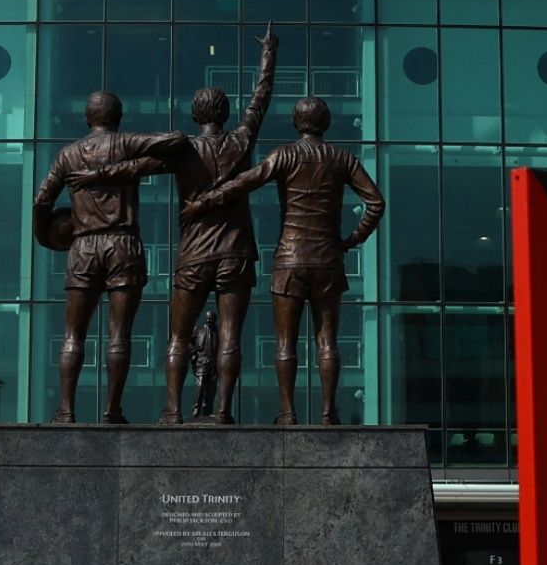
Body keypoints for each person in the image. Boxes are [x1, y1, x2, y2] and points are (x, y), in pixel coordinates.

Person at [87, 29, 278, 424]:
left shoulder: (184, 150)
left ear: (195, 115)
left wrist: (97, 174)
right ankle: (223, 411)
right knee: (230, 336)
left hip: (193, 254)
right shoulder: (242, 141)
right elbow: (260, 101)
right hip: (236, 253)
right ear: (224, 114)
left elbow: (137, 168)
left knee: (178, 335)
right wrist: (268, 57)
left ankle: (173, 411)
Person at [180, 97, 385, 424]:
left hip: (290, 259)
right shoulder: (343, 159)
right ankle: (328, 413)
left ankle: (287, 412)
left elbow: (244, 182)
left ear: (295, 123)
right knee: (327, 340)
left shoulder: (284, 155)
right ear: (326, 123)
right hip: (328, 259)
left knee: (285, 341)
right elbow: (376, 202)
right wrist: (351, 240)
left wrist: (204, 202)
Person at [32, 94, 191, 423]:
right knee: (120, 333)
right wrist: (120, 169)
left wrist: (45, 238)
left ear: (87, 119)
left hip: (83, 246)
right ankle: (112, 410)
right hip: (122, 243)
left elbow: (41, 202)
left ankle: (65, 410)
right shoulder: (126, 143)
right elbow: (177, 141)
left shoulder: (68, 154)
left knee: (73, 334)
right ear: (118, 118)